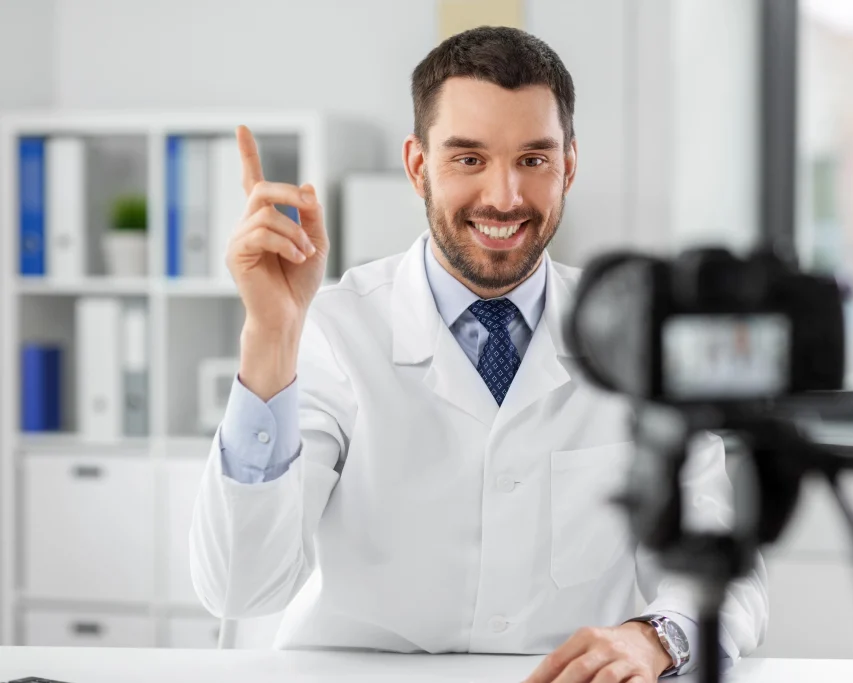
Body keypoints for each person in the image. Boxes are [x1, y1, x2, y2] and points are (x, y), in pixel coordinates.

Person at [190, 26, 768, 682]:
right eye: (468, 159)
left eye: (533, 159)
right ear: (418, 166)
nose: (505, 197)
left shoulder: (636, 335)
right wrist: (270, 337)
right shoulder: (334, 330)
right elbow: (239, 587)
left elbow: (728, 564)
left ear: (569, 165)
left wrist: (657, 637)